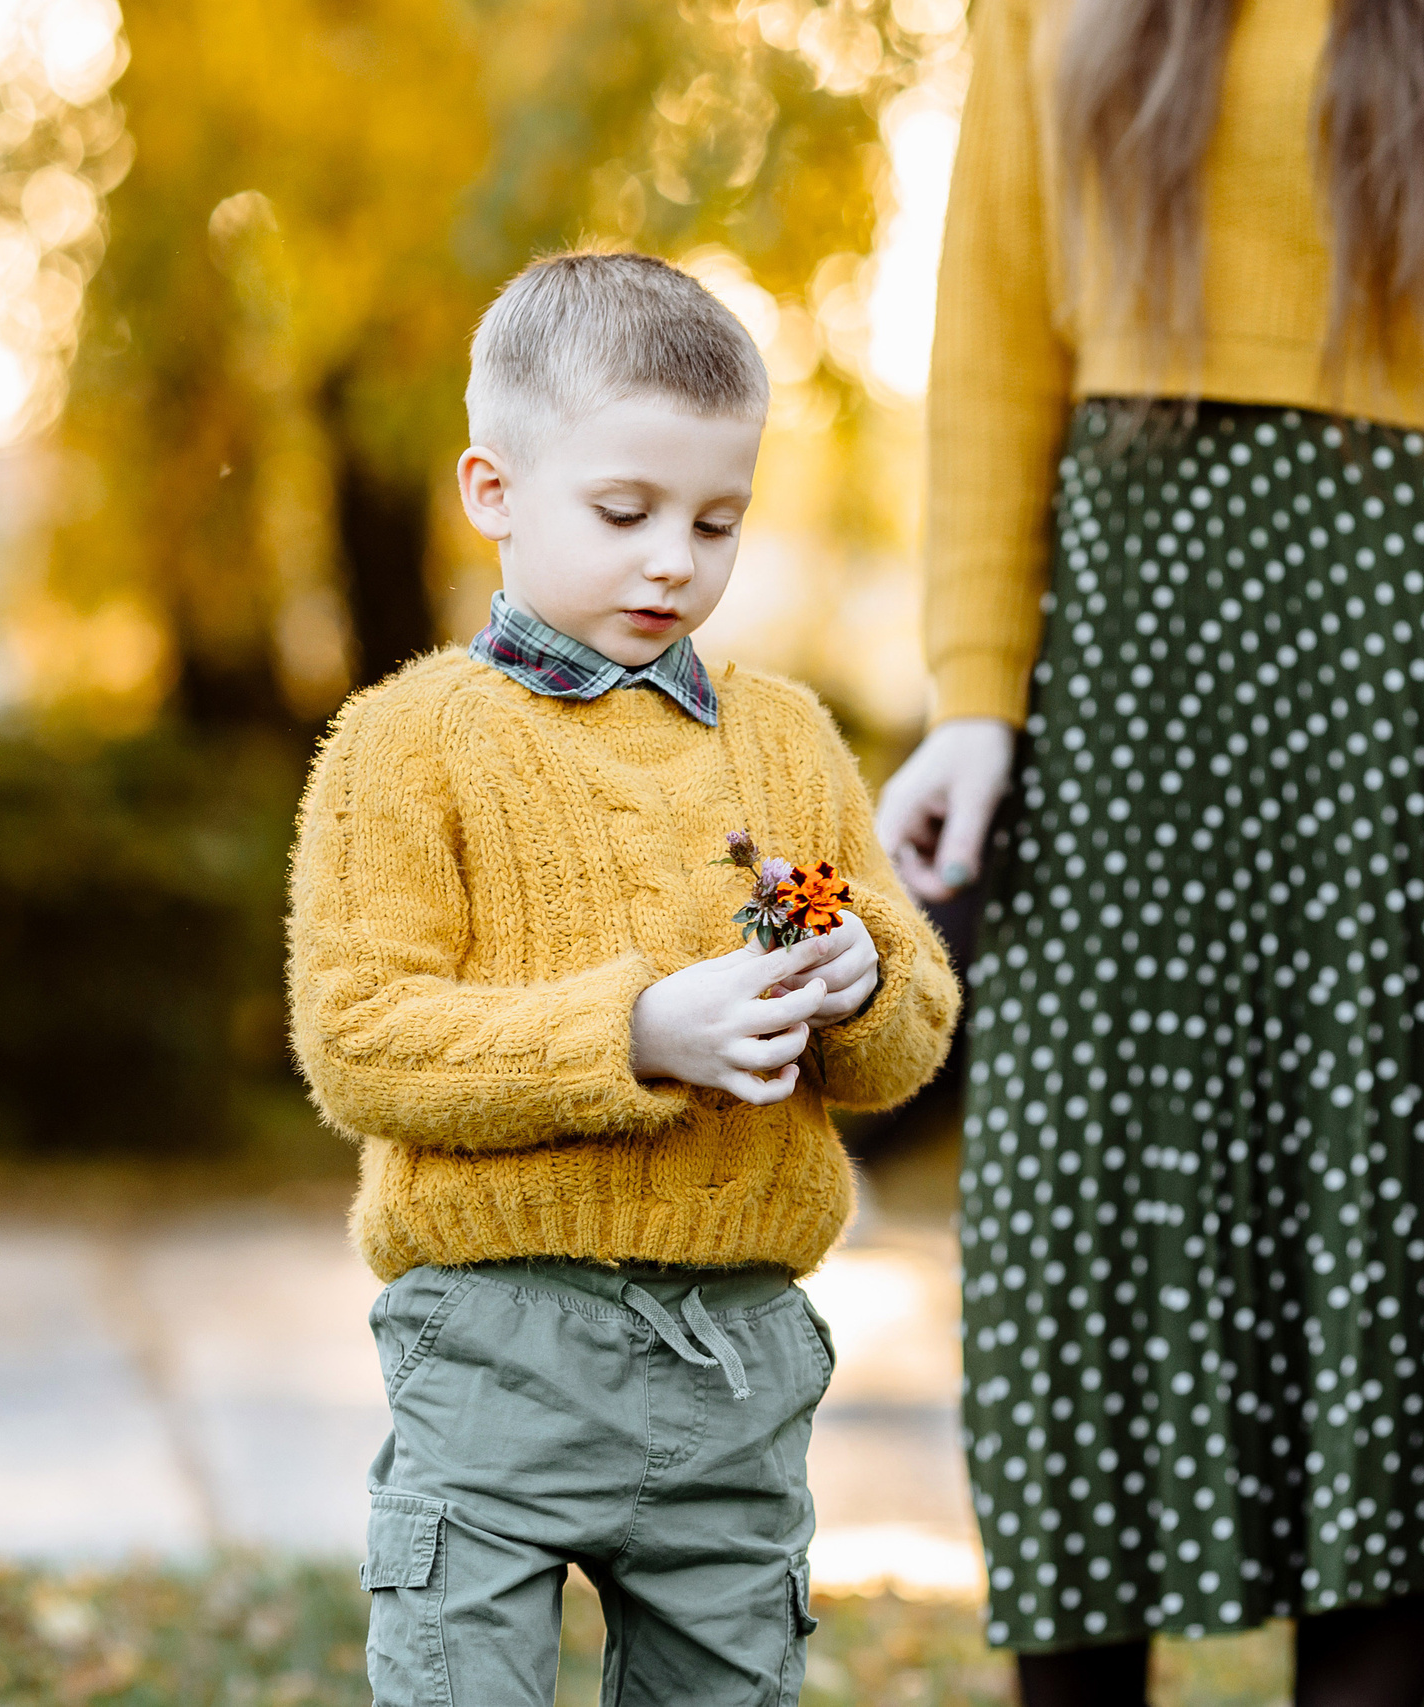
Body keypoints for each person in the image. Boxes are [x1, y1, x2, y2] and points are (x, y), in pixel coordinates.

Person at [876, 0, 1424, 1700]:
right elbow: (992, 336)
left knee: (1386, 1231)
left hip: (1421, 676)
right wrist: (976, 692)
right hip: (1127, 667)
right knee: (1078, 1241)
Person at [287, 250, 960, 1707]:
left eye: (717, 523)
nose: (673, 561)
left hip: (739, 1364)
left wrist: (860, 980)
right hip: (497, 1346)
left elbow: (903, 1030)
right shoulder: (408, 742)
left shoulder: (784, 744)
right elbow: (359, 1038)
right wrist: (638, 1031)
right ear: (494, 492)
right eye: (625, 512)